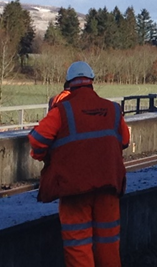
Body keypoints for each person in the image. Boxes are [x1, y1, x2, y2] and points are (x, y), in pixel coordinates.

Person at [28, 61, 130, 267]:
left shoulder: (61, 111)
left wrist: (44, 155)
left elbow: (37, 140)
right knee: (108, 242)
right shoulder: (113, 109)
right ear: (91, 81)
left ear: (69, 84)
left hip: (74, 190)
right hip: (108, 186)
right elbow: (125, 140)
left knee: (78, 244)